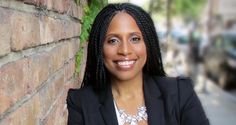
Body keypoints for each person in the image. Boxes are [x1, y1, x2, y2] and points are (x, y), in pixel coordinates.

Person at [67, 3, 209, 125]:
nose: (125, 50)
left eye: (135, 39)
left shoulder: (180, 93)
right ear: (99, 47)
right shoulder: (80, 103)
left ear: (148, 43)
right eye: (113, 40)